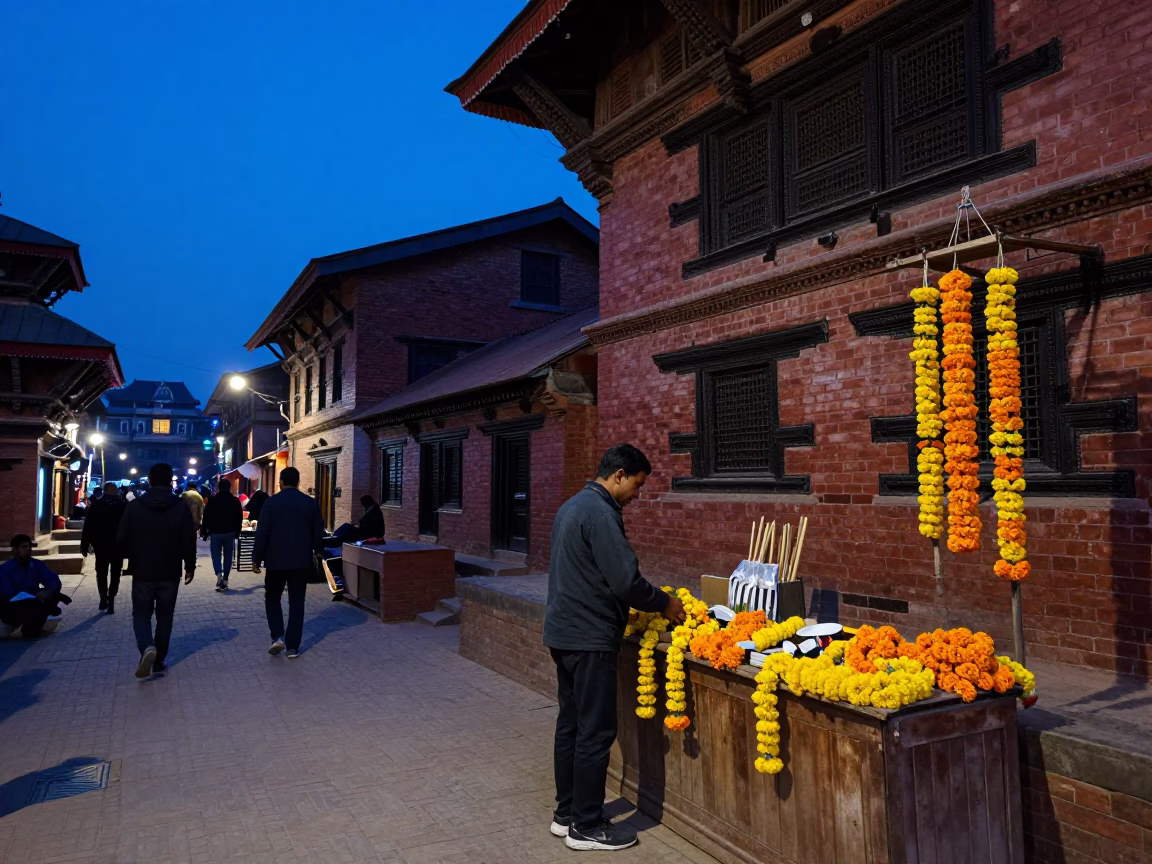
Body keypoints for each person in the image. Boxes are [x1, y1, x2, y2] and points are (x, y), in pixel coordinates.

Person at [544, 444, 685, 852]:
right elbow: (626, 581)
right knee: (595, 729)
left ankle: (567, 813)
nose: (637, 495)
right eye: (637, 485)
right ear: (619, 475)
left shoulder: (572, 505)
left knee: (570, 724)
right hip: (589, 636)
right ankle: (586, 827)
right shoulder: (602, 513)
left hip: (563, 632)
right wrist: (664, 603)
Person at [117, 463, 196, 679]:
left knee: (141, 613)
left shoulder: (135, 506)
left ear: (149, 481)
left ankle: (147, 647)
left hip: (142, 569)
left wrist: (130, 556)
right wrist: (190, 565)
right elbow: (188, 539)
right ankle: (159, 660)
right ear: (171, 482)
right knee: (165, 616)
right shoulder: (180, 506)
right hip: (170, 570)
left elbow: (122, 538)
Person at [252, 466, 324, 659]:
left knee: (273, 598)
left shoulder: (271, 503)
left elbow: (263, 532)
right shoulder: (310, 503)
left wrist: (256, 558)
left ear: (281, 482)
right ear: (298, 482)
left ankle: (277, 637)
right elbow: (318, 531)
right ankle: (293, 647)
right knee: (297, 602)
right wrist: (318, 550)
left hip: (275, 561)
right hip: (301, 561)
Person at [0, 535, 67, 637]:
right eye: (24, 547)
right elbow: (7, 593)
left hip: (34, 603)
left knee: (53, 595)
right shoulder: (5, 569)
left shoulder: (36, 564)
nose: (28, 549)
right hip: (13, 607)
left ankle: (34, 624)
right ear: (15, 550)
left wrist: (47, 592)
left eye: (29, 547)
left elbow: (52, 580)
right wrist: (32, 595)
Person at [80, 481, 127, 613]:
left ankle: (103, 597)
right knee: (115, 572)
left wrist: (85, 544)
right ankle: (111, 598)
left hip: (101, 544)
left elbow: (88, 526)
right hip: (117, 545)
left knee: (101, 572)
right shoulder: (123, 505)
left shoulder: (97, 505)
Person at [201, 479, 243, 591]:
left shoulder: (212, 500)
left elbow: (206, 516)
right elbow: (239, 517)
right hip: (230, 532)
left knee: (216, 554)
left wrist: (204, 530)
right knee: (228, 555)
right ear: (230, 487)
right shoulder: (235, 501)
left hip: (215, 532)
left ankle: (219, 573)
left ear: (218, 488)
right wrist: (237, 531)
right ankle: (226, 578)